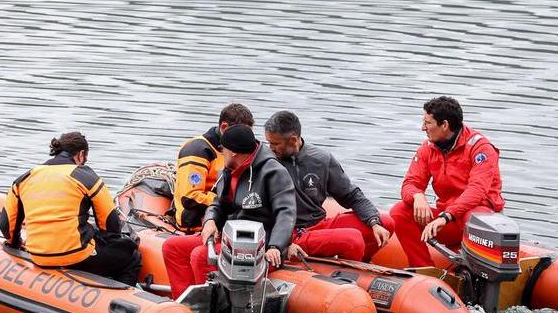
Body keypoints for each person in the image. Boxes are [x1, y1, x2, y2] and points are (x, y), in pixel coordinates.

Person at [162, 124, 296, 299]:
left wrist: (275, 246)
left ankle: (213, 309)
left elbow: (286, 213)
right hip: (229, 239)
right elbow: (217, 203)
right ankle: (185, 304)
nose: (221, 152)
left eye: (222, 149)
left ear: (233, 152)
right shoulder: (227, 171)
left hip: (259, 246)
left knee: (201, 256)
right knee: (172, 247)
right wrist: (210, 220)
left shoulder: (274, 173)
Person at [0, 131, 142, 286]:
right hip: (77, 255)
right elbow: (110, 224)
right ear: (81, 155)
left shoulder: (24, 178)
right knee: (132, 257)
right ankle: (116, 300)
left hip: (37, 255)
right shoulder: (85, 176)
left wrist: (16, 244)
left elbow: (6, 226)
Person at [389, 96, 505, 267]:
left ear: (444, 125)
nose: (423, 128)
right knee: (400, 211)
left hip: (473, 220)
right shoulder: (428, 148)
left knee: (475, 216)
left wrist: (446, 216)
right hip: (447, 220)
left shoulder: (480, 148)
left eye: (428, 123)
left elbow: (477, 190)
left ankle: (476, 274)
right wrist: (417, 196)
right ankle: (424, 270)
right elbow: (410, 183)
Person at [264, 111, 394, 262]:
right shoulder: (267, 162)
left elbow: (351, 195)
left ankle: (363, 265)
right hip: (292, 233)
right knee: (352, 239)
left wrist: (374, 222)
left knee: (386, 223)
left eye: (275, 144)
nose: (270, 148)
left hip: (319, 225)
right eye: (269, 142)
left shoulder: (321, 159)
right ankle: (344, 275)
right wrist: (281, 244)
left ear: (293, 140)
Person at [171, 103, 254, 232]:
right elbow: (190, 197)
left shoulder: (240, 149)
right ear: (224, 127)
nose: (244, 139)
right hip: (196, 219)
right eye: (240, 133)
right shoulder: (197, 150)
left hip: (228, 213)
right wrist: (231, 203)